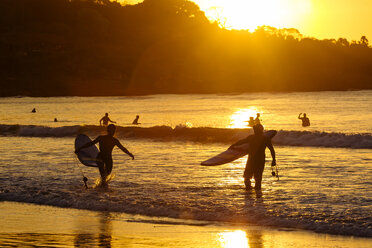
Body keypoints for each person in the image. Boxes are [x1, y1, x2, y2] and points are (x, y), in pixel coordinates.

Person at [230, 124, 276, 190]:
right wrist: (273, 160)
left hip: (255, 160)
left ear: (259, 130)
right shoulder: (262, 138)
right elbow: (242, 141)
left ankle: (251, 192)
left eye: (256, 129)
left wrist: (233, 145)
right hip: (257, 160)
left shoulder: (258, 138)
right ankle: (255, 194)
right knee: (253, 178)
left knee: (251, 178)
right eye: (254, 129)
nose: (255, 131)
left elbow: (272, 150)